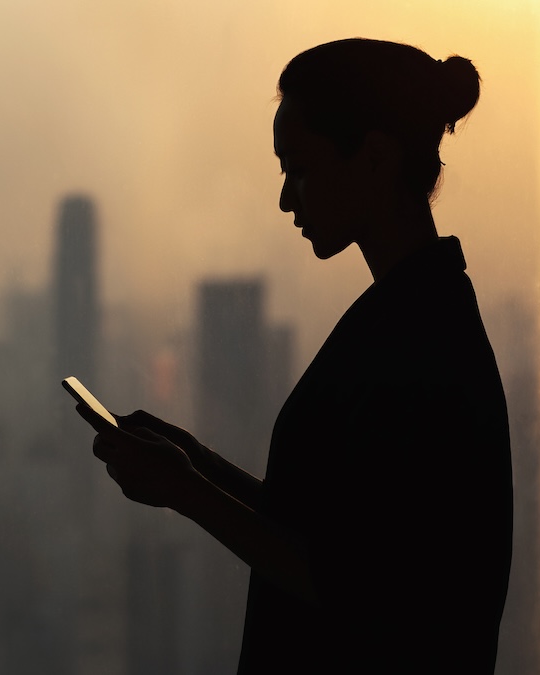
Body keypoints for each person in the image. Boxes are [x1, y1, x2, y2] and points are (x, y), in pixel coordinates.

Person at [77, 38, 513, 673]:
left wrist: (187, 489)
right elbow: (332, 538)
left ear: (374, 158)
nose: (287, 199)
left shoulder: (419, 345)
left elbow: (356, 586)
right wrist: (196, 467)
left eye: (300, 169)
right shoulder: (411, 318)